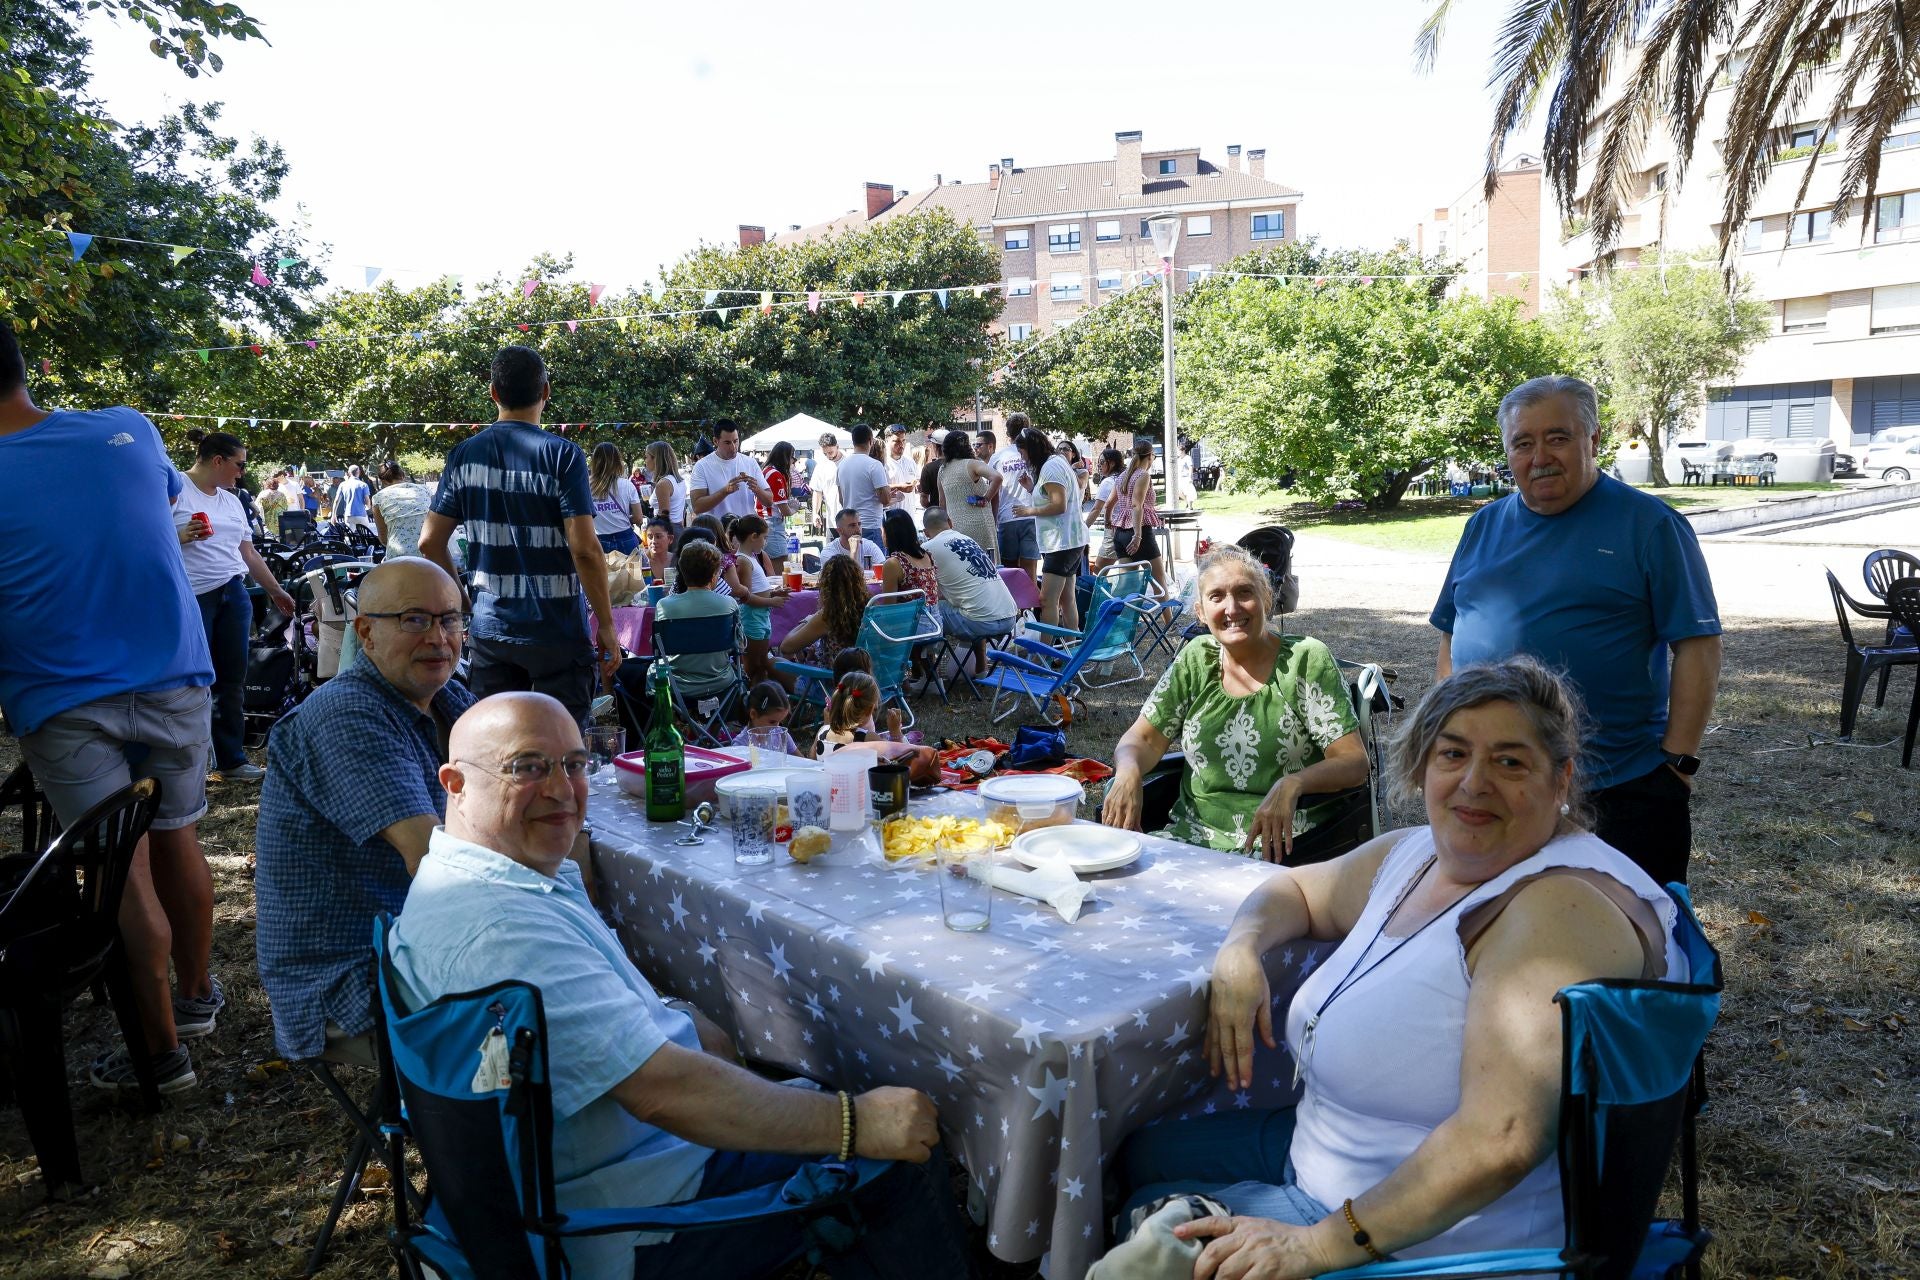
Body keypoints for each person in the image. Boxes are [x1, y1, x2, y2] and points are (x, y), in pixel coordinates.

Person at [1109, 658, 1690, 1275]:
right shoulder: (1418, 855)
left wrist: (1313, 1246)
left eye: (1511, 761)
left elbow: (1502, 1139)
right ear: (1423, 764)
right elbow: (1297, 892)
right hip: (1325, 1146)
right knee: (1132, 1155)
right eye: (1453, 754)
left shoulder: (1559, 910)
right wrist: (1240, 948)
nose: (1474, 783)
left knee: (1148, 1234)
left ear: (1561, 780)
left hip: (1421, 1241)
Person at [387, 692, 970, 1280]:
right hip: (629, 1218)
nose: (561, 789)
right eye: (528, 766)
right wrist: (855, 1124)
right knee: (892, 1151)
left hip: (596, 1167)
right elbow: (664, 1092)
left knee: (806, 1075)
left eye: (573, 763)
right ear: (455, 782)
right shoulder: (498, 930)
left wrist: (670, 1009)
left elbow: (592, 1016)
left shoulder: (481, 874)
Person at [0, 320, 219, 1094]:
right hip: (174, 674)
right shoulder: (128, 426)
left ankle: (161, 1057)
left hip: (61, 695)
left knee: (119, 876)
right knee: (177, 839)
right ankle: (196, 998)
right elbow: (151, 513)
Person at [1430, 374, 1722, 886]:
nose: (1539, 456)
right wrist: (1446, 744)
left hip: (1619, 787)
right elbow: (1451, 635)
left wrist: (1677, 763)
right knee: (1499, 931)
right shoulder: (1482, 525)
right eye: (1523, 443)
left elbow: (1697, 645)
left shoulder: (1651, 526)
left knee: (1629, 945)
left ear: (1593, 440)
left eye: (1557, 437)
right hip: (1492, 785)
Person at [255, 558, 476, 1065]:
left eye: (450, 619)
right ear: (365, 633)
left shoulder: (446, 697)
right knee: (570, 1007)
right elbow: (436, 863)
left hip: (420, 940)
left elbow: (519, 789)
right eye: (414, 619)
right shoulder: (347, 715)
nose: (439, 638)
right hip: (354, 973)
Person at [1102, 546, 1369, 858]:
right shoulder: (1196, 660)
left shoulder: (1305, 661)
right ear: (1200, 612)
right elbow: (1143, 739)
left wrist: (1292, 784)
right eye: (1217, 596)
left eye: (1244, 592)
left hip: (1285, 846)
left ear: (1267, 599)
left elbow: (1353, 763)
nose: (1232, 608)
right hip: (1191, 838)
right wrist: (1128, 770)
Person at [420, 345, 622, 728]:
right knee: (561, 749)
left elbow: (429, 542)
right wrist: (608, 625)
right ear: (546, 391)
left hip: (491, 629)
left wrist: (463, 599)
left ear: (494, 393)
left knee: (498, 748)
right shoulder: (563, 455)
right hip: (558, 631)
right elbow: (584, 548)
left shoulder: (464, 456)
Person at [173, 429, 296, 784]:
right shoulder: (175, 489)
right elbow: (146, 538)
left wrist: (275, 591)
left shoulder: (231, 500)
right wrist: (181, 535)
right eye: (239, 464)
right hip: (192, 597)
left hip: (233, 593)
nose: (242, 472)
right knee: (191, 680)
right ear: (217, 461)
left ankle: (230, 760)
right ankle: (189, 762)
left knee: (231, 679)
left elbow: (248, 552)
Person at [921, 507, 1017, 676]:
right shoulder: (968, 539)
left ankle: (929, 676)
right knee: (972, 604)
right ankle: (981, 668)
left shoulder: (926, 549)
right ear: (950, 523)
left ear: (926, 532)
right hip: (1010, 618)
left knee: (925, 612)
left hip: (980, 622)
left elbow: (926, 591)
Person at [1010, 427, 1089, 630]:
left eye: (1022, 452)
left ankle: (1044, 654)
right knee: (1066, 599)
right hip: (1069, 541)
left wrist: (1029, 511)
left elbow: (1059, 505)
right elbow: (1052, 496)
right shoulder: (1055, 463)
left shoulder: (1051, 468)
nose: (1022, 457)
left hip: (1061, 543)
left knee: (1047, 600)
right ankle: (1071, 648)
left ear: (1031, 448)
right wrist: (1032, 488)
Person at [654, 540, 741, 699]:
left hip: (676, 684)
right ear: (715, 575)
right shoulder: (729, 604)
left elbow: (657, 648)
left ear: (681, 572)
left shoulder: (664, 606)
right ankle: (714, 723)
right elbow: (739, 645)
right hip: (720, 681)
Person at [721, 515, 788, 684]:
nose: (765, 542)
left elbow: (757, 591)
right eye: (764, 538)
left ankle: (762, 697)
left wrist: (773, 594)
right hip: (752, 617)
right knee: (754, 666)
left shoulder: (751, 558)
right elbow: (746, 597)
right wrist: (770, 602)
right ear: (753, 536)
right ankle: (753, 699)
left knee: (762, 661)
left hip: (761, 616)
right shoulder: (743, 561)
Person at [777, 554, 867, 671]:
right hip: (865, 680)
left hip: (831, 682)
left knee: (774, 661)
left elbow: (786, 646)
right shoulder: (868, 608)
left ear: (827, 586)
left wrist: (806, 621)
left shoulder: (829, 616)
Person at [1109, 439, 1169, 595]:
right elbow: (1137, 505)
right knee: (1159, 583)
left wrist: (1109, 522)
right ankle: (1168, 620)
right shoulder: (1143, 475)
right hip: (1138, 532)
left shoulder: (1122, 476)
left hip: (1120, 534)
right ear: (1150, 456)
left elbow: (1109, 503)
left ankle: (1120, 619)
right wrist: (1137, 536)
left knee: (1126, 586)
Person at [688, 420, 775, 522]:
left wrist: (757, 489)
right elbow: (697, 507)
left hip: (746, 532)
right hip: (718, 532)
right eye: (727, 443)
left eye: (735, 441)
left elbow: (769, 501)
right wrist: (725, 491)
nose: (733, 447)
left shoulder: (750, 463)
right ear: (716, 441)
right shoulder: (702, 466)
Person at [935, 428, 1001, 562]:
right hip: (980, 525)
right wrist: (986, 498)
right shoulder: (972, 464)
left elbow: (942, 504)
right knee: (987, 567)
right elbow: (997, 477)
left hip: (956, 528)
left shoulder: (942, 470)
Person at [988, 416, 1040, 582]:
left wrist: (994, 519)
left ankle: (1014, 608)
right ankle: (1030, 607)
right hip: (1032, 516)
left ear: (1007, 432)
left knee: (1009, 571)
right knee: (1029, 571)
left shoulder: (998, 457)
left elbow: (993, 490)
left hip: (1007, 517)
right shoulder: (1035, 454)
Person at [813, 671, 902, 759]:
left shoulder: (822, 732)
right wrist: (895, 733)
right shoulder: (868, 739)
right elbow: (897, 763)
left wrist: (826, 724)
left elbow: (812, 759)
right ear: (869, 710)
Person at [830, 424, 892, 547]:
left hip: (849, 525)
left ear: (853, 442)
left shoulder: (841, 466)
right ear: (871, 441)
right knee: (874, 564)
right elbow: (885, 499)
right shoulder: (875, 465)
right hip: (870, 524)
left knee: (854, 564)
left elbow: (842, 499)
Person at [588, 442, 645, 555]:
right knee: (631, 573)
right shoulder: (627, 485)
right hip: (627, 540)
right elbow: (639, 518)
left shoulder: (586, 486)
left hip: (598, 542)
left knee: (602, 573)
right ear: (618, 462)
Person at [371, 459, 433, 561]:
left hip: (399, 556)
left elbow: (383, 537)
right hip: (430, 552)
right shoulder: (425, 490)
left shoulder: (378, 498)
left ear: (383, 480)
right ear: (403, 475)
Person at [878, 508, 940, 606]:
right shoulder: (927, 555)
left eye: (882, 530)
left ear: (888, 533)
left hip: (912, 619)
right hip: (935, 618)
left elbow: (888, 608)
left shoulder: (894, 563)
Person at [730, 681, 801, 757]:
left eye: (780, 722)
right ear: (753, 714)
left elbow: (802, 762)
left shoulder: (781, 736)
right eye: (772, 721)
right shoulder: (741, 745)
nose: (776, 726)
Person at [759, 440, 798, 576]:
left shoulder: (766, 470)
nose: (793, 462)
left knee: (770, 570)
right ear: (786, 457)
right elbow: (784, 510)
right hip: (772, 524)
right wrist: (795, 508)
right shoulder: (776, 474)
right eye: (792, 458)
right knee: (781, 572)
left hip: (764, 521)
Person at [1089, 447, 1126, 573]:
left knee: (1099, 570)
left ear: (1113, 463)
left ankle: (1105, 591)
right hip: (1129, 529)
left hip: (1113, 530)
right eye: (1098, 463)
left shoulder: (1108, 482)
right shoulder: (1125, 478)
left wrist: (1083, 528)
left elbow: (1096, 509)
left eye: (1102, 462)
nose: (1099, 466)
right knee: (1127, 570)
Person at [819, 508, 886, 573]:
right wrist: (853, 552)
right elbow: (846, 580)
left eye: (859, 524)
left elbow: (885, 568)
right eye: (852, 525)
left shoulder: (869, 546)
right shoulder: (829, 552)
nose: (858, 529)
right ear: (839, 530)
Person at [643, 440, 688, 533]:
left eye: (646, 457)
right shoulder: (678, 480)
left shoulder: (663, 483)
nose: (645, 461)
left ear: (655, 459)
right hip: (677, 528)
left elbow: (664, 515)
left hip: (667, 531)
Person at [884, 424, 921, 518]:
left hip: (910, 517)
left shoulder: (910, 461)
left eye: (903, 441)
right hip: (891, 520)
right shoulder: (882, 463)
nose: (901, 445)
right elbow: (878, 489)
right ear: (887, 441)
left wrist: (917, 485)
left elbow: (917, 479)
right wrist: (900, 487)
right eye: (897, 441)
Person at [808, 431, 843, 525]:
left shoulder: (848, 462)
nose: (828, 456)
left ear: (837, 446)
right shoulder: (821, 466)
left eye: (830, 452)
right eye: (825, 453)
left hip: (849, 519)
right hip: (831, 520)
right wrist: (815, 513)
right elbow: (817, 491)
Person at [334, 464, 373, 532]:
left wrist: (333, 515)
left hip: (349, 514)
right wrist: (369, 507)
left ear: (349, 473)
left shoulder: (343, 484)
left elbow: (336, 500)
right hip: (361, 514)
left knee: (350, 536)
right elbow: (367, 500)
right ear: (359, 472)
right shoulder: (363, 485)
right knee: (365, 535)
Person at [256, 469, 291, 538]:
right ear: (277, 485)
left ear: (267, 485)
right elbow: (285, 508)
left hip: (268, 523)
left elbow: (257, 508)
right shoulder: (282, 495)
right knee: (281, 543)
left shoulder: (263, 494)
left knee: (269, 543)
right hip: (280, 522)